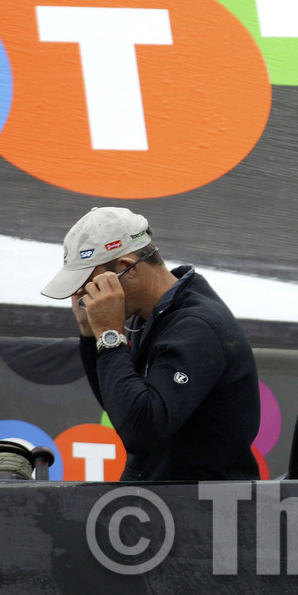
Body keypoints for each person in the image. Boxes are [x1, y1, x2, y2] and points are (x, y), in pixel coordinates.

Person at [41, 206, 259, 481]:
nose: (81, 293)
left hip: (205, 509)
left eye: (87, 282)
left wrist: (109, 333)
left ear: (126, 269)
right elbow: (121, 409)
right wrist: (89, 333)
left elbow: (139, 431)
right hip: (166, 498)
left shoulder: (196, 326)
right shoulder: (152, 312)